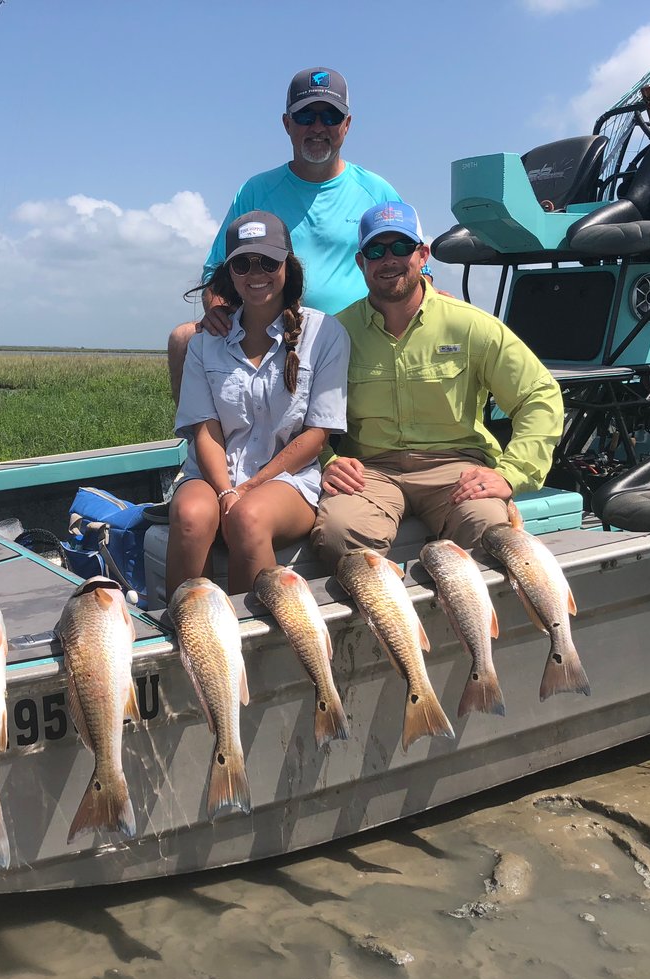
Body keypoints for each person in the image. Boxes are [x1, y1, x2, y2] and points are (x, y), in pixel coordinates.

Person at [311, 200, 564, 565]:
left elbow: (539, 395)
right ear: (360, 261)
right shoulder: (336, 332)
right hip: (370, 471)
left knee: (490, 529)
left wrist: (512, 474)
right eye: (376, 250)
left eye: (401, 246)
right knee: (338, 534)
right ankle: (390, 622)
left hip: (455, 469)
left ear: (422, 254)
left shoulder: (470, 324)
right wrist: (327, 460)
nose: (389, 259)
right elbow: (295, 409)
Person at [167, 67, 399, 403]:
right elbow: (216, 273)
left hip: (358, 338)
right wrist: (218, 310)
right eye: (305, 115)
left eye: (330, 116)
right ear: (287, 123)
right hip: (273, 336)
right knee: (184, 340)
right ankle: (201, 447)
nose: (318, 126)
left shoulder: (378, 191)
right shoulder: (255, 191)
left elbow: (414, 270)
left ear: (347, 125)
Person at [167, 211, 349, 595]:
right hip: (212, 475)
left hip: (288, 480)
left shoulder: (325, 333)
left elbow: (317, 435)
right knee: (189, 514)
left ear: (288, 265)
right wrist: (225, 490)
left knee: (247, 519)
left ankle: (249, 643)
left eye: (268, 261)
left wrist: (248, 489)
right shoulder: (205, 343)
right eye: (242, 263)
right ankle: (183, 627)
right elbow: (206, 429)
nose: (256, 273)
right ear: (229, 273)